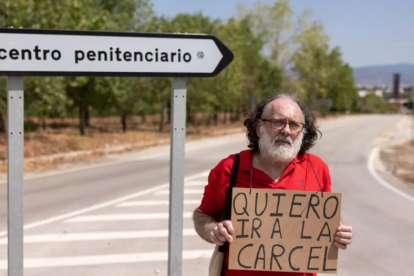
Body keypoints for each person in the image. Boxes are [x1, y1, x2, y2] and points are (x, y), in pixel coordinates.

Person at [192, 94, 354, 276]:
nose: (286, 130)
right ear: (258, 127)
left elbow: (326, 219)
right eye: (278, 122)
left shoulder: (317, 169)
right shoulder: (229, 169)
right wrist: (213, 230)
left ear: (302, 131)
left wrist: (338, 233)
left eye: (294, 125)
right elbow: (202, 215)